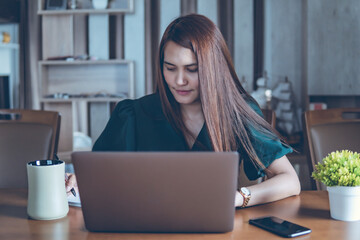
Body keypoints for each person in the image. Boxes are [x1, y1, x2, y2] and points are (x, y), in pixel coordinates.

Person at [66, 14, 300, 208]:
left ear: (212, 69)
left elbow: (290, 181)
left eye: (192, 69)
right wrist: (80, 178)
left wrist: (240, 197)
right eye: (170, 68)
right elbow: (96, 173)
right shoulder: (134, 114)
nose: (179, 81)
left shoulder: (237, 113)